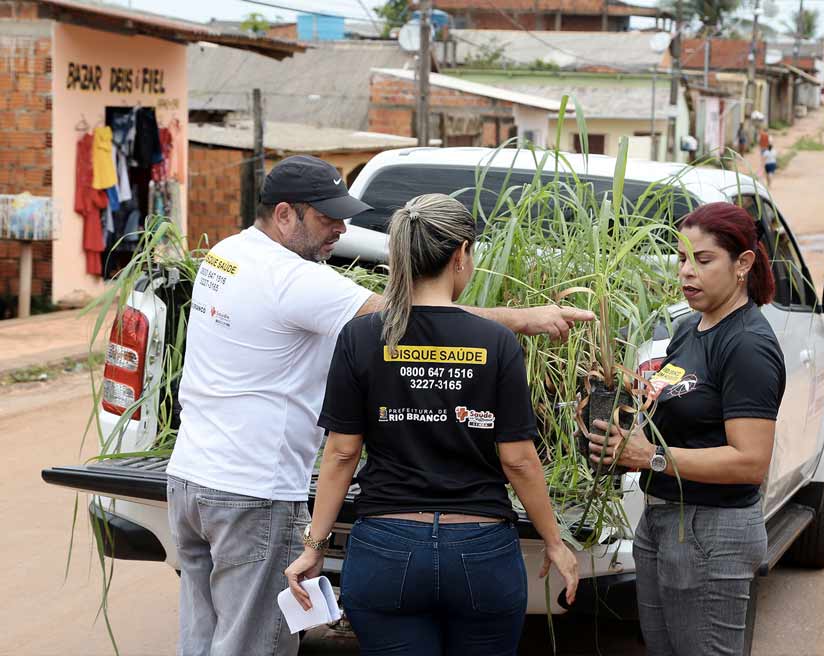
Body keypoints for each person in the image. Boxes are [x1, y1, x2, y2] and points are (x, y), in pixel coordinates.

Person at [165, 156, 591, 656]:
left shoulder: (226, 255)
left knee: (201, 634)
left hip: (191, 479)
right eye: (327, 218)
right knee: (251, 643)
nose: (341, 230)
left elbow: (345, 449)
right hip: (252, 488)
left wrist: (315, 542)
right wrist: (521, 320)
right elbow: (413, 318)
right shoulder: (293, 280)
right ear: (285, 215)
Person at [284, 194, 580, 655]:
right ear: (461, 254)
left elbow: (342, 452)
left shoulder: (362, 337)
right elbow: (519, 461)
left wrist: (314, 545)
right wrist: (553, 541)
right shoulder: (497, 342)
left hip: (386, 551)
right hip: (480, 551)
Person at [586, 202, 785, 656]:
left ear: (743, 264)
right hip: (663, 521)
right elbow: (677, 406)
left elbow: (750, 462)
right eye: (681, 258)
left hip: (712, 531)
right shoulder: (687, 329)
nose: (687, 272)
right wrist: (617, 394)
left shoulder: (748, 345)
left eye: (703, 259)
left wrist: (650, 457)